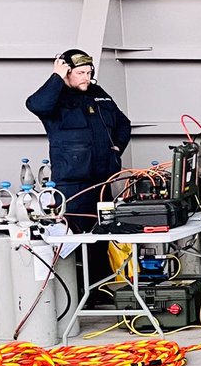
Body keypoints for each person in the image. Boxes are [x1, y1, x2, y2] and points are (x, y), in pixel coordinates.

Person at [25, 49, 131, 231]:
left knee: (104, 235)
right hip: (71, 185)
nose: (86, 78)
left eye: (89, 73)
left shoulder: (97, 93)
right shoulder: (55, 96)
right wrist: (56, 77)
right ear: (66, 72)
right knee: (74, 237)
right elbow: (37, 105)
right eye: (80, 73)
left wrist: (117, 148)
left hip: (102, 182)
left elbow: (123, 123)